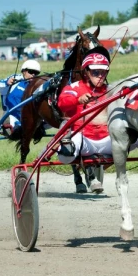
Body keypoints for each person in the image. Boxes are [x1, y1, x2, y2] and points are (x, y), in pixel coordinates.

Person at [57, 49, 111, 193]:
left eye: (103, 72)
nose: (100, 76)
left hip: (107, 141)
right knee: (68, 150)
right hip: (84, 142)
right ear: (86, 72)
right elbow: (62, 103)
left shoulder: (111, 90)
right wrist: (77, 100)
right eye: (95, 72)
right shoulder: (74, 88)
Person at [0, 59, 42, 136]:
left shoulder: (38, 85)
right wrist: (7, 83)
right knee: (9, 123)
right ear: (24, 71)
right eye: (30, 71)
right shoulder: (15, 79)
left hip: (29, 118)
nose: (33, 75)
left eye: (36, 73)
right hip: (11, 115)